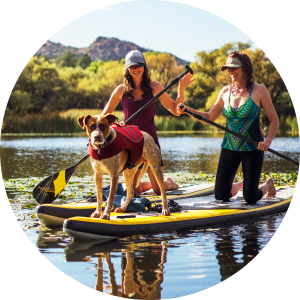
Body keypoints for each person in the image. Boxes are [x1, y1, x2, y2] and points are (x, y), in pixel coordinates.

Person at [177, 51, 279, 204]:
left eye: (235, 68)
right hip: (229, 147)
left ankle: (267, 185)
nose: (231, 71)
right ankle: (240, 185)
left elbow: (274, 119)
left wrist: (268, 141)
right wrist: (188, 110)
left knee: (250, 198)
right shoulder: (225, 91)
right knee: (220, 195)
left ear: (245, 68)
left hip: (252, 149)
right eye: (228, 68)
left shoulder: (259, 91)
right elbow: (210, 117)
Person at [101, 50, 195, 195]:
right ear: (127, 69)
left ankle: (168, 182)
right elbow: (103, 117)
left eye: (138, 65)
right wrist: (114, 126)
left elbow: (175, 110)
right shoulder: (121, 90)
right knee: (133, 190)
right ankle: (142, 185)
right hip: (131, 143)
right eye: (132, 66)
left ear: (144, 66)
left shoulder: (154, 87)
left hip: (150, 141)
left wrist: (181, 89)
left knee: (158, 189)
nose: (136, 69)